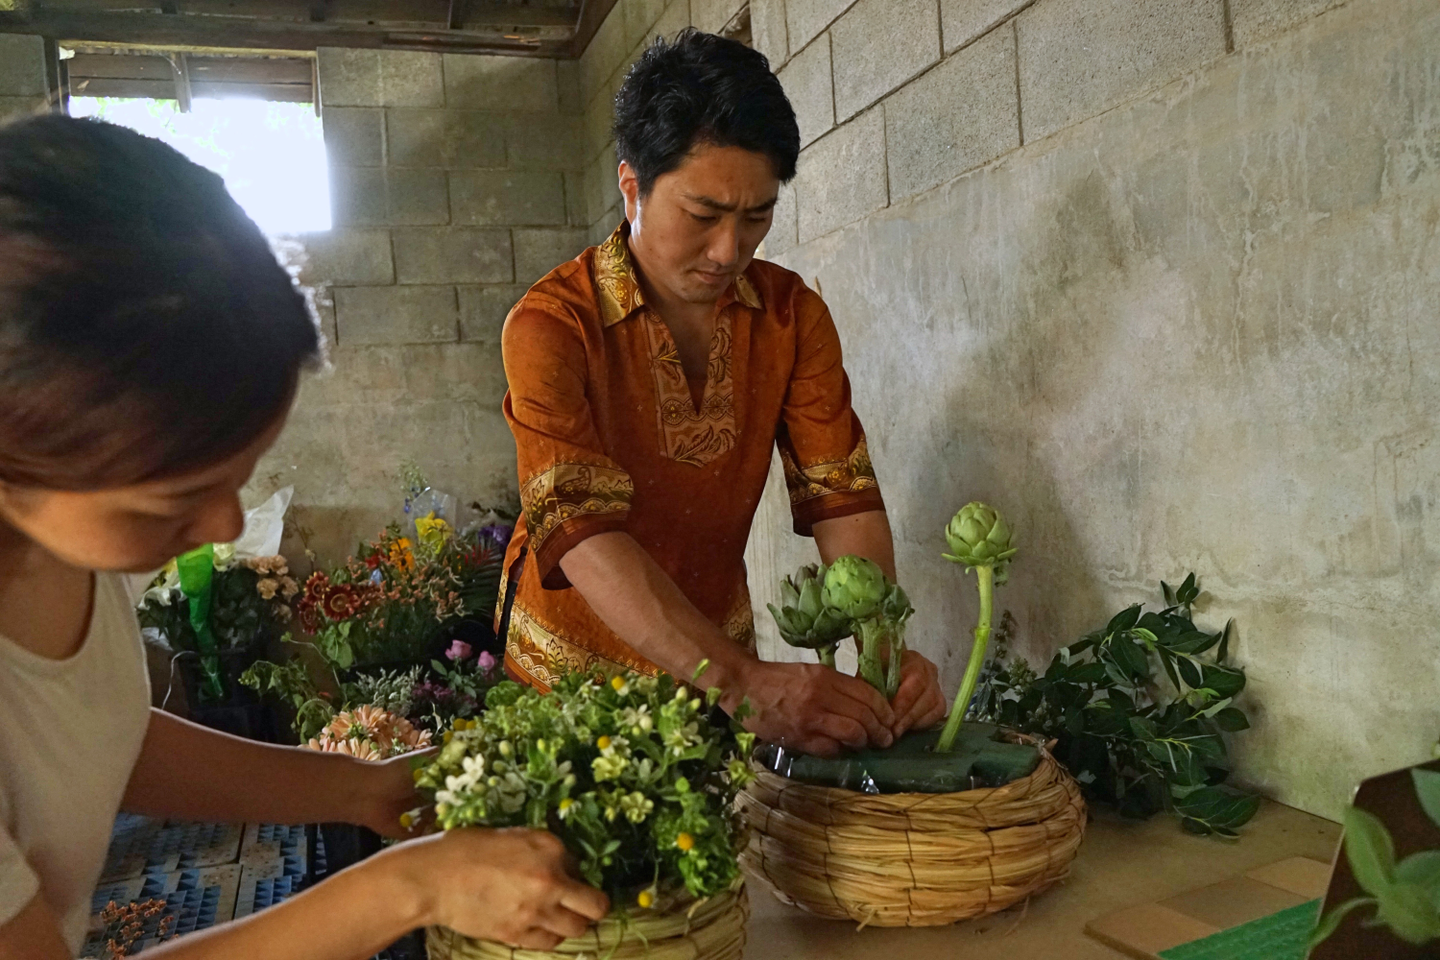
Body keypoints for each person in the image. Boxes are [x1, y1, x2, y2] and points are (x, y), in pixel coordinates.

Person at [0, 115, 608, 960]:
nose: (224, 526)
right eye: (176, 499)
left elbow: (99, 737)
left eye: (237, 475)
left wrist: (361, 787)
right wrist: (409, 887)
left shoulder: (59, 540)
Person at [496, 29, 947, 758]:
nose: (729, 251)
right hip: (571, 676)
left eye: (757, 216)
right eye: (703, 216)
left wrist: (884, 652)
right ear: (632, 186)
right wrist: (742, 684)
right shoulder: (552, 325)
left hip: (719, 651)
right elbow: (580, 531)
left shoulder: (792, 316)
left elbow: (843, 495)